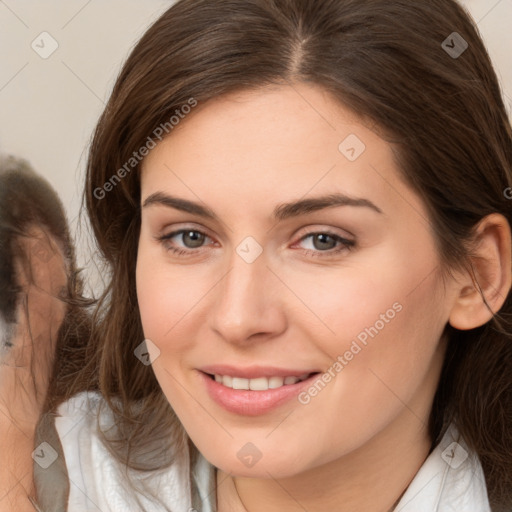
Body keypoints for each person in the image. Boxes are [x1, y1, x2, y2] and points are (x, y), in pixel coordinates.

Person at [2, 0, 512, 510]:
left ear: (476, 275)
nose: (238, 318)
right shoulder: (37, 473)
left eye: (322, 240)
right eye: (189, 237)